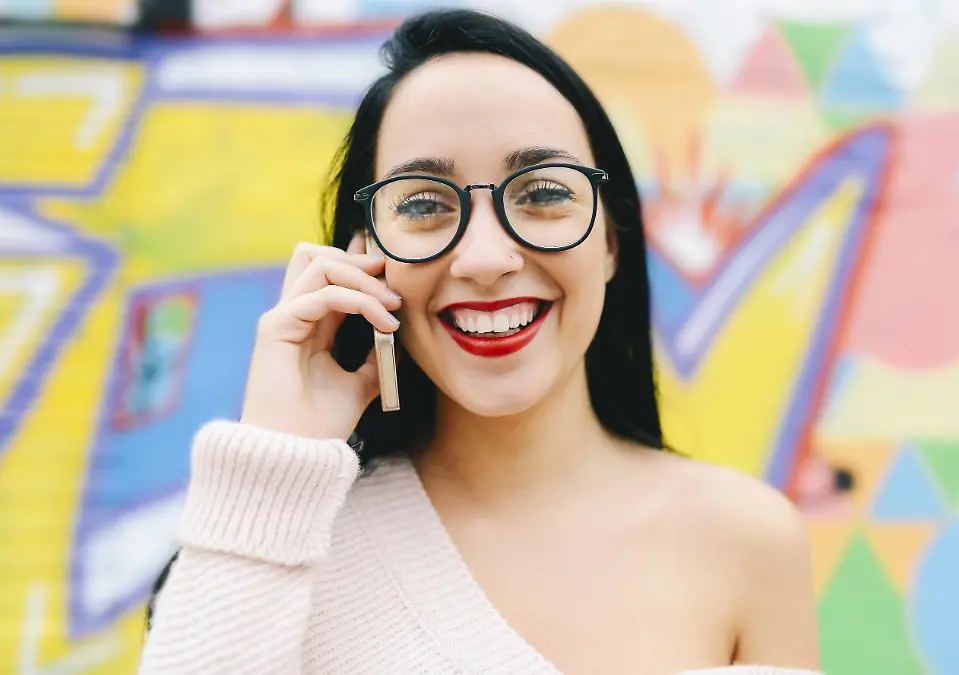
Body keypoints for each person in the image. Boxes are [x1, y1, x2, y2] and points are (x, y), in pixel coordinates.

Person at [139, 8, 820, 674]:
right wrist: (278, 459)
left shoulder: (749, 541)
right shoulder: (291, 549)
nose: (486, 257)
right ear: (365, 255)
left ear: (609, 241)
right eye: (424, 203)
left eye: (542, 192)